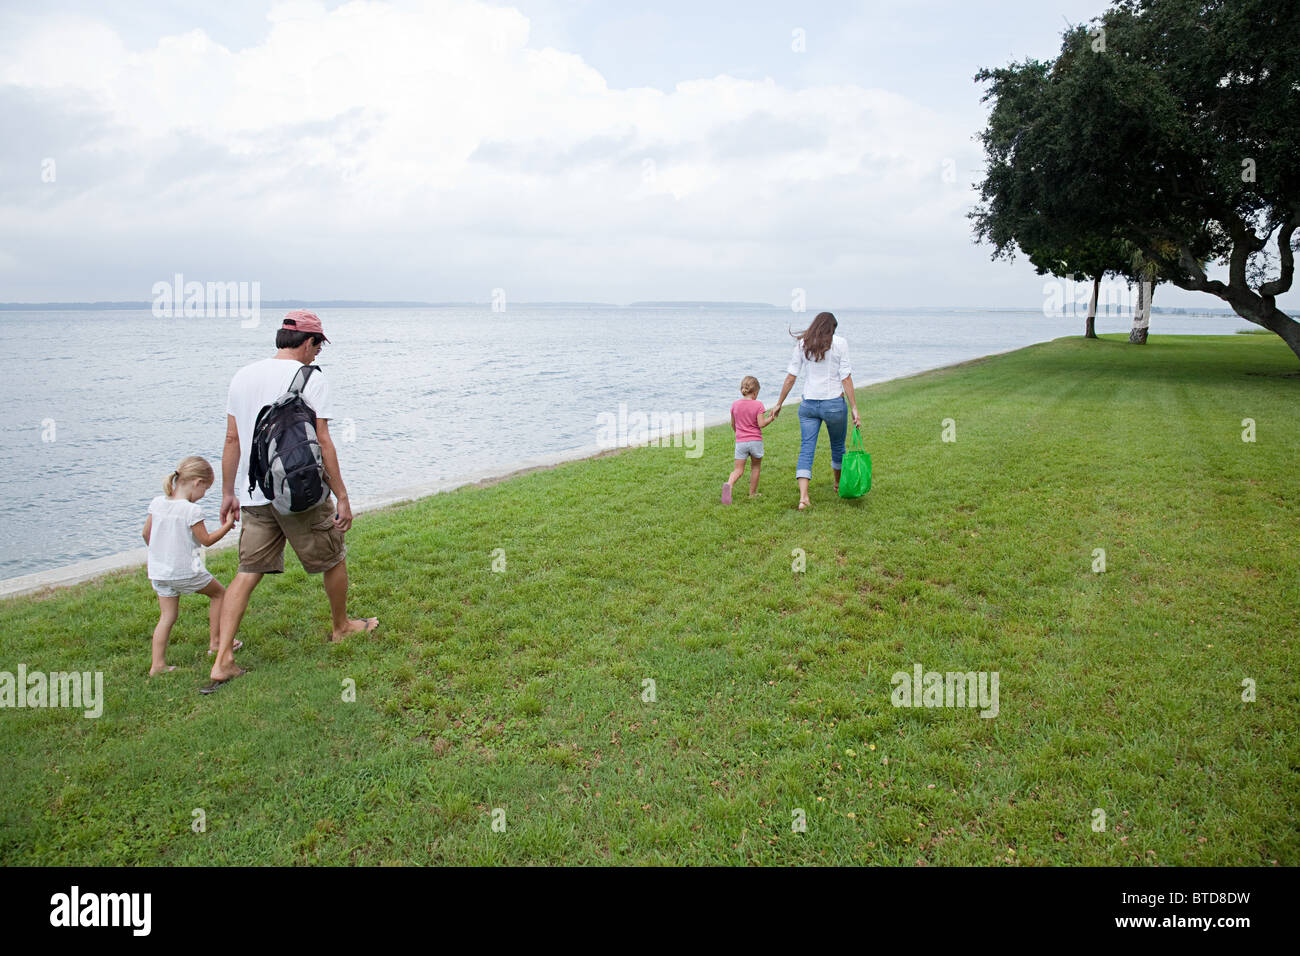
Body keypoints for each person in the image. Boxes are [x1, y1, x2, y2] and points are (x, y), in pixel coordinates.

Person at [207, 310, 378, 692]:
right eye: (318, 345)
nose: (318, 354)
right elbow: (323, 442)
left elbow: (232, 440)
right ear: (308, 342)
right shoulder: (309, 378)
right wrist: (342, 496)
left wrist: (227, 493)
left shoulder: (242, 375)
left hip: (256, 493)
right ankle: (341, 627)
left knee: (248, 570)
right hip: (300, 492)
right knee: (333, 556)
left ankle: (223, 660)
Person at [142, 456, 235, 676]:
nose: (204, 494)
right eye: (206, 488)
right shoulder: (191, 511)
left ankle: (157, 665)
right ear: (197, 482)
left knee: (167, 617)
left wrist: (159, 551)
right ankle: (215, 642)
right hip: (186, 571)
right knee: (219, 595)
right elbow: (207, 540)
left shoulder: (157, 503)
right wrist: (229, 524)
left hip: (159, 571)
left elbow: (146, 534)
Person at [770, 311, 860, 510]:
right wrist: (854, 408)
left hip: (809, 404)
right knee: (837, 446)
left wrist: (779, 403)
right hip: (834, 404)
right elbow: (846, 377)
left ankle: (804, 498)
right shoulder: (840, 343)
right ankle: (837, 485)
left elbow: (791, 376)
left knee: (806, 449)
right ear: (832, 328)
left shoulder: (803, 344)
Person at [722, 375, 779, 504]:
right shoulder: (758, 405)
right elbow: (761, 424)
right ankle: (752, 494)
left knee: (738, 470)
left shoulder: (735, 405)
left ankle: (729, 484)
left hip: (741, 442)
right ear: (755, 392)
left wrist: (740, 434)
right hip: (755, 441)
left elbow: (733, 424)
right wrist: (772, 417)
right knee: (755, 467)